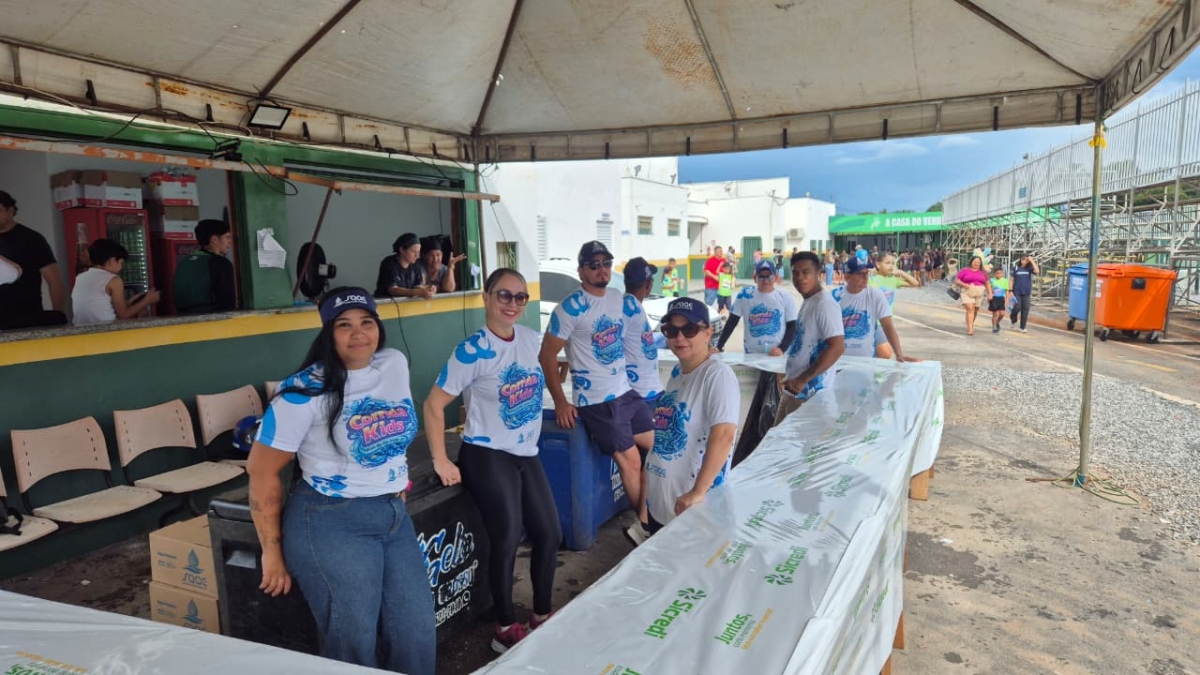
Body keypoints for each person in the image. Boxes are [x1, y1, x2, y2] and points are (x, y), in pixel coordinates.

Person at [247, 287, 434, 674]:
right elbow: (261, 471)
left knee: (415, 632)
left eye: (367, 322)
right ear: (328, 333)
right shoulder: (303, 392)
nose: (358, 333)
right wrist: (271, 552)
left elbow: (392, 434)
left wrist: (393, 479)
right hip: (331, 521)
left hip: (392, 516)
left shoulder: (394, 364)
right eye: (344, 325)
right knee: (354, 645)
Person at [423, 268, 560, 654]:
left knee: (549, 533)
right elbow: (433, 405)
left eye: (520, 297)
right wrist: (440, 460)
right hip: (486, 453)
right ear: (486, 298)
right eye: (503, 295)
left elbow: (556, 360)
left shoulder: (530, 339)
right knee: (508, 536)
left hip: (524, 452)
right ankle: (504, 627)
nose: (512, 303)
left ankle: (541, 614)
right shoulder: (472, 350)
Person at [539, 241, 652, 542]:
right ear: (581, 271)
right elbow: (546, 356)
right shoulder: (569, 308)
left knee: (662, 450)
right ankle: (646, 529)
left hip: (626, 392)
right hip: (597, 402)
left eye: (606, 263)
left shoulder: (616, 298)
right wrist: (561, 402)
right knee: (632, 461)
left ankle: (651, 519)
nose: (601, 269)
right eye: (594, 264)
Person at [635, 297, 739, 537]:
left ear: (708, 332)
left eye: (689, 329)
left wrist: (698, 492)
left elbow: (724, 435)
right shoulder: (678, 371)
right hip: (662, 506)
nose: (679, 337)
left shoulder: (717, 375)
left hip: (693, 513)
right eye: (671, 330)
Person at [777, 251, 845, 424]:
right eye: (795, 273)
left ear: (819, 274)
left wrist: (802, 379)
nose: (800, 278)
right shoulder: (810, 301)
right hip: (795, 392)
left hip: (812, 397)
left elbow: (837, 347)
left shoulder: (825, 304)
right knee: (777, 437)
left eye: (806, 272)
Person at [0, 190, 67, 329]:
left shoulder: (32, 239)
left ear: (10, 210)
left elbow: (53, 280)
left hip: (27, 316)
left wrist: (58, 316)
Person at [832, 258, 916, 361]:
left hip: (866, 362)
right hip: (838, 361)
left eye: (866, 273)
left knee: (885, 353)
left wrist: (899, 354)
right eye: (860, 274)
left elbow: (887, 325)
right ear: (847, 277)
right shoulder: (834, 297)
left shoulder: (875, 295)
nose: (865, 277)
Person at [71, 238, 160, 326]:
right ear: (112, 261)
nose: (121, 267)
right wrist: (147, 300)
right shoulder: (113, 280)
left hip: (80, 331)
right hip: (107, 330)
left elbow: (98, 304)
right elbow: (124, 314)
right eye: (121, 263)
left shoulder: (80, 277)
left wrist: (130, 302)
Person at [717, 260, 797, 355]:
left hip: (778, 355)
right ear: (755, 278)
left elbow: (792, 325)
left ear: (775, 277)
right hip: (751, 355)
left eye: (769, 276)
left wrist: (782, 349)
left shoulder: (786, 297)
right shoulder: (744, 295)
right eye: (761, 277)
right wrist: (719, 346)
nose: (765, 280)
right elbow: (732, 322)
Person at [621, 257, 664, 411]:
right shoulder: (627, 307)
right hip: (640, 394)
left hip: (646, 390)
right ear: (647, 284)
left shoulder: (632, 304)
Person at [173, 219, 236, 314]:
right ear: (214, 239)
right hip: (210, 318)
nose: (230, 242)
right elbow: (228, 302)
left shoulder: (184, 262)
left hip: (183, 319)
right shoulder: (220, 263)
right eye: (227, 237)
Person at [869, 252, 920, 358]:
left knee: (878, 354)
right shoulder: (871, 279)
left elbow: (915, 283)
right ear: (878, 264)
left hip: (886, 323)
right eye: (887, 263)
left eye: (893, 263)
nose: (891, 266)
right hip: (873, 322)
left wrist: (901, 272)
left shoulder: (893, 280)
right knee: (885, 353)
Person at [375, 232, 434, 299]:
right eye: (414, 252)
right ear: (402, 249)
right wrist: (417, 292)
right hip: (386, 303)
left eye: (418, 252)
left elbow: (418, 285)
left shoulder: (415, 264)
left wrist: (428, 288)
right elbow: (393, 290)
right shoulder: (389, 263)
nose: (417, 256)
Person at [952, 256, 990, 336]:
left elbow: (987, 283)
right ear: (971, 262)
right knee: (970, 308)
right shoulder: (964, 270)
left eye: (978, 262)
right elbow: (957, 280)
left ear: (980, 263)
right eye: (975, 262)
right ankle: (970, 329)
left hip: (979, 292)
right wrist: (965, 285)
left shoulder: (983, 272)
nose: (976, 263)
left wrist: (990, 293)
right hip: (966, 291)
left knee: (975, 310)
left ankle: (970, 324)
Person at [1010, 253, 1040, 332]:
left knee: (1025, 309)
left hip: (1026, 292)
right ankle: (1013, 319)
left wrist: (1031, 260)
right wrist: (1010, 290)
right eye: (1023, 259)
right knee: (1017, 307)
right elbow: (1011, 280)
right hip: (1017, 291)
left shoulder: (1029, 269)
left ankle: (1022, 327)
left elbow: (1037, 271)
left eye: (1026, 260)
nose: (1024, 261)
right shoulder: (1016, 268)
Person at [988, 265, 1011, 334]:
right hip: (994, 298)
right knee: (995, 314)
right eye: (997, 273)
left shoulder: (1005, 281)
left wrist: (1007, 299)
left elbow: (1007, 290)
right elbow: (989, 290)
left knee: (1002, 314)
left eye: (1001, 273)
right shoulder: (992, 280)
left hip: (1001, 299)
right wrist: (989, 296)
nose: (999, 275)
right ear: (994, 274)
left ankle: (997, 322)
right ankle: (994, 327)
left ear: (1003, 273)